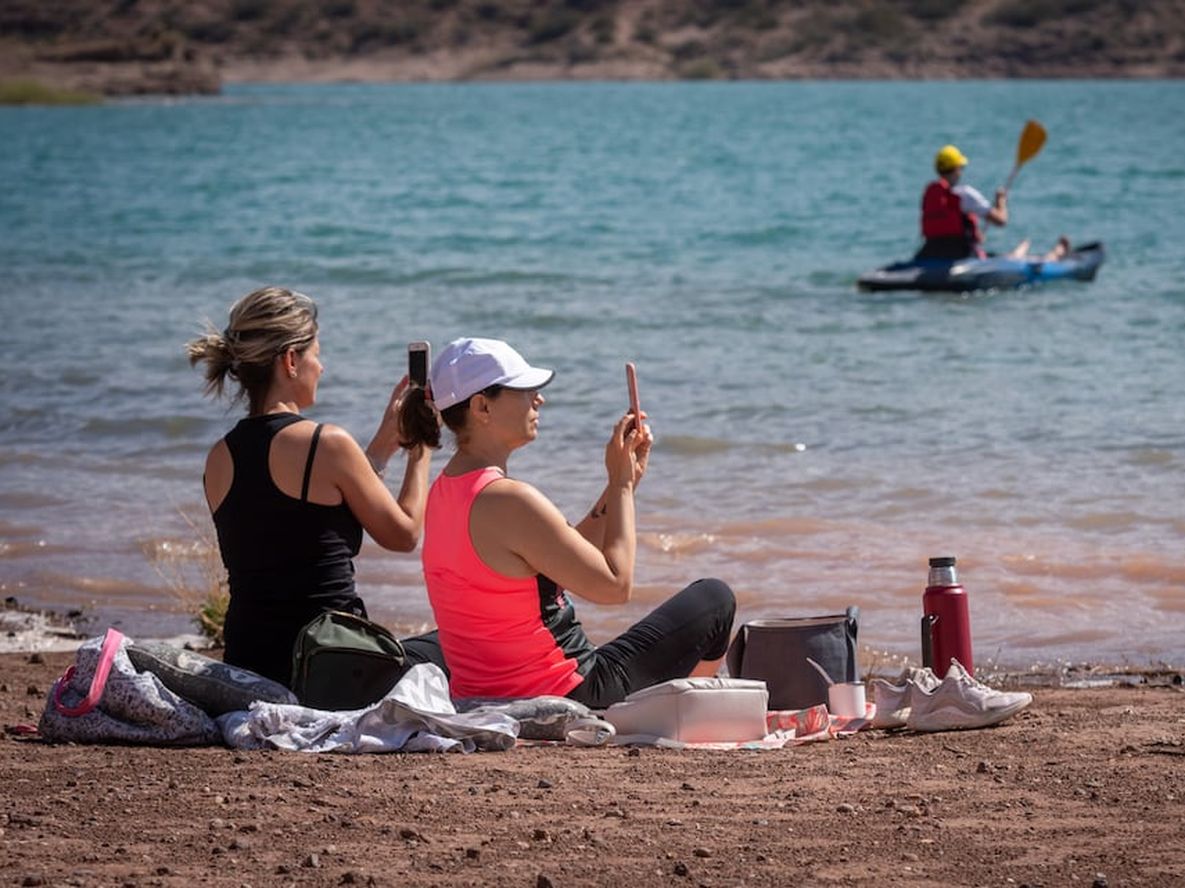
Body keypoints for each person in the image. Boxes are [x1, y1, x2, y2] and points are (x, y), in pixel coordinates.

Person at [411, 337, 736, 709]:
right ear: (482, 406)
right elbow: (615, 586)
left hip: (483, 694)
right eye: (524, 389)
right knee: (715, 598)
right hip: (570, 691)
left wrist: (617, 488)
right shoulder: (509, 499)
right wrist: (623, 487)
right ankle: (687, 713)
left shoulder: (444, 491)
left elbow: (556, 560)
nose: (539, 399)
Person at [186, 286, 443, 686]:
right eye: (317, 356)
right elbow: (405, 533)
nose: (321, 368)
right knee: (452, 646)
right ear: (291, 360)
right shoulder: (327, 443)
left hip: (249, 665)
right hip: (330, 664)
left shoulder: (219, 456)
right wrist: (421, 447)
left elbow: (309, 522)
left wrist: (381, 444)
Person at [916, 144, 1009, 261]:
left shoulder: (931, 193)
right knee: (991, 256)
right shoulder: (964, 194)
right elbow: (1001, 220)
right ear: (956, 168)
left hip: (930, 251)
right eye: (961, 167)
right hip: (960, 254)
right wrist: (1001, 201)